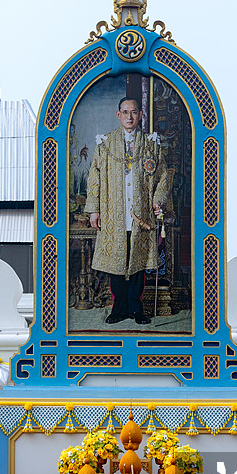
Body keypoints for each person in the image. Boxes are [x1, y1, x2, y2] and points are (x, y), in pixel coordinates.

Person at [85, 97, 168, 325]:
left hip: (141, 216)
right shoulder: (105, 145)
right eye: (125, 112)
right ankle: (119, 307)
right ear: (118, 115)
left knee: (138, 263)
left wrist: (157, 200)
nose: (129, 117)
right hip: (114, 214)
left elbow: (162, 177)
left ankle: (136, 307)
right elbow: (95, 178)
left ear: (140, 115)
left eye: (133, 112)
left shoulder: (150, 145)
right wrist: (94, 210)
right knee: (116, 264)